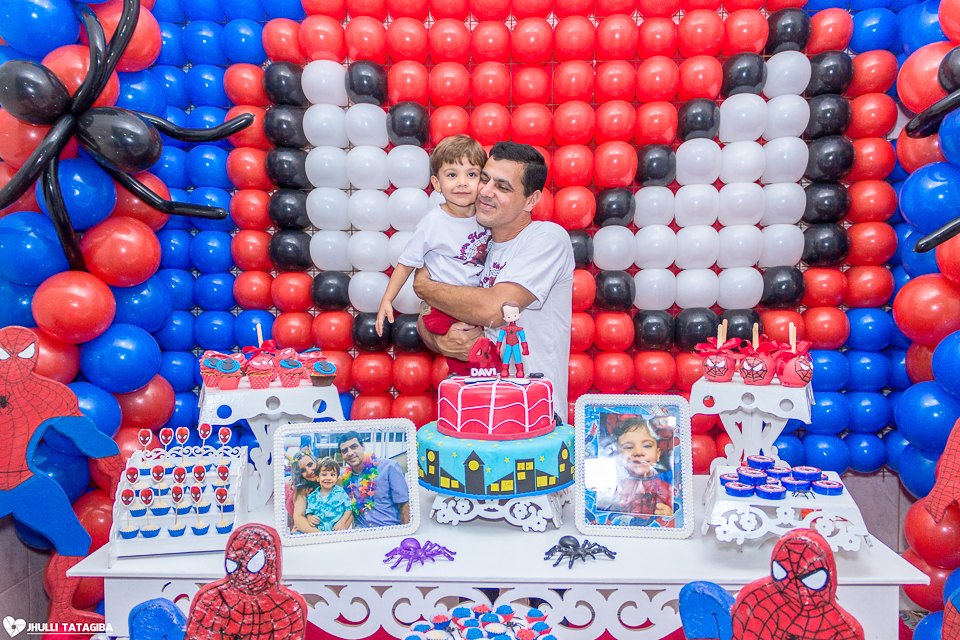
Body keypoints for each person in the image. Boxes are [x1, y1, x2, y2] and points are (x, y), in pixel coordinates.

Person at [414, 141, 574, 415]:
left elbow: (496, 310)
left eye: (502, 187)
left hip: (532, 413)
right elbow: (424, 317)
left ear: (531, 200)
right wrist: (441, 341)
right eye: (484, 179)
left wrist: (424, 286)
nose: (485, 192)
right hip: (475, 408)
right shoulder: (471, 243)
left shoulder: (547, 238)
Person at [376, 135, 490, 376]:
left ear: (483, 180)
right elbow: (406, 263)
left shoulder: (487, 218)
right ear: (437, 184)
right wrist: (387, 299)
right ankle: (465, 379)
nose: (462, 183)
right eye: (452, 175)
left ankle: (474, 379)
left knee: (484, 355)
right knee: (464, 348)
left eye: (471, 174)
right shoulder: (433, 222)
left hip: (476, 303)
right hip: (442, 308)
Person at [598, 418, 673, 518]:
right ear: (618, 457)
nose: (638, 452)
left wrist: (669, 514)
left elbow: (677, 515)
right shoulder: (614, 488)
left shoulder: (667, 489)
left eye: (647, 446)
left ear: (658, 454)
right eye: (628, 447)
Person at [338, 431, 410, 528]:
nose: (350, 453)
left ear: (363, 446)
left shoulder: (389, 467)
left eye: (354, 447)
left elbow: (404, 503)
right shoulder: (344, 478)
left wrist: (406, 532)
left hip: (389, 530)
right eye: (344, 451)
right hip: (361, 533)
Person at [288, 450, 354, 534]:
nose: (309, 471)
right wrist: (322, 535)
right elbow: (299, 518)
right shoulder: (303, 489)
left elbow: (350, 508)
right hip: (312, 532)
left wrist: (340, 528)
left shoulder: (336, 482)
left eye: (310, 464)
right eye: (303, 470)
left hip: (336, 530)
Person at [303, 457, 352, 532]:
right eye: (324, 475)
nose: (328, 478)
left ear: (336, 478)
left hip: (337, 531)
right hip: (319, 533)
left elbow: (348, 509)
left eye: (332, 475)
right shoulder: (312, 496)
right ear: (317, 478)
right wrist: (310, 518)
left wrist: (342, 522)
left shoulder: (341, 493)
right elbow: (309, 511)